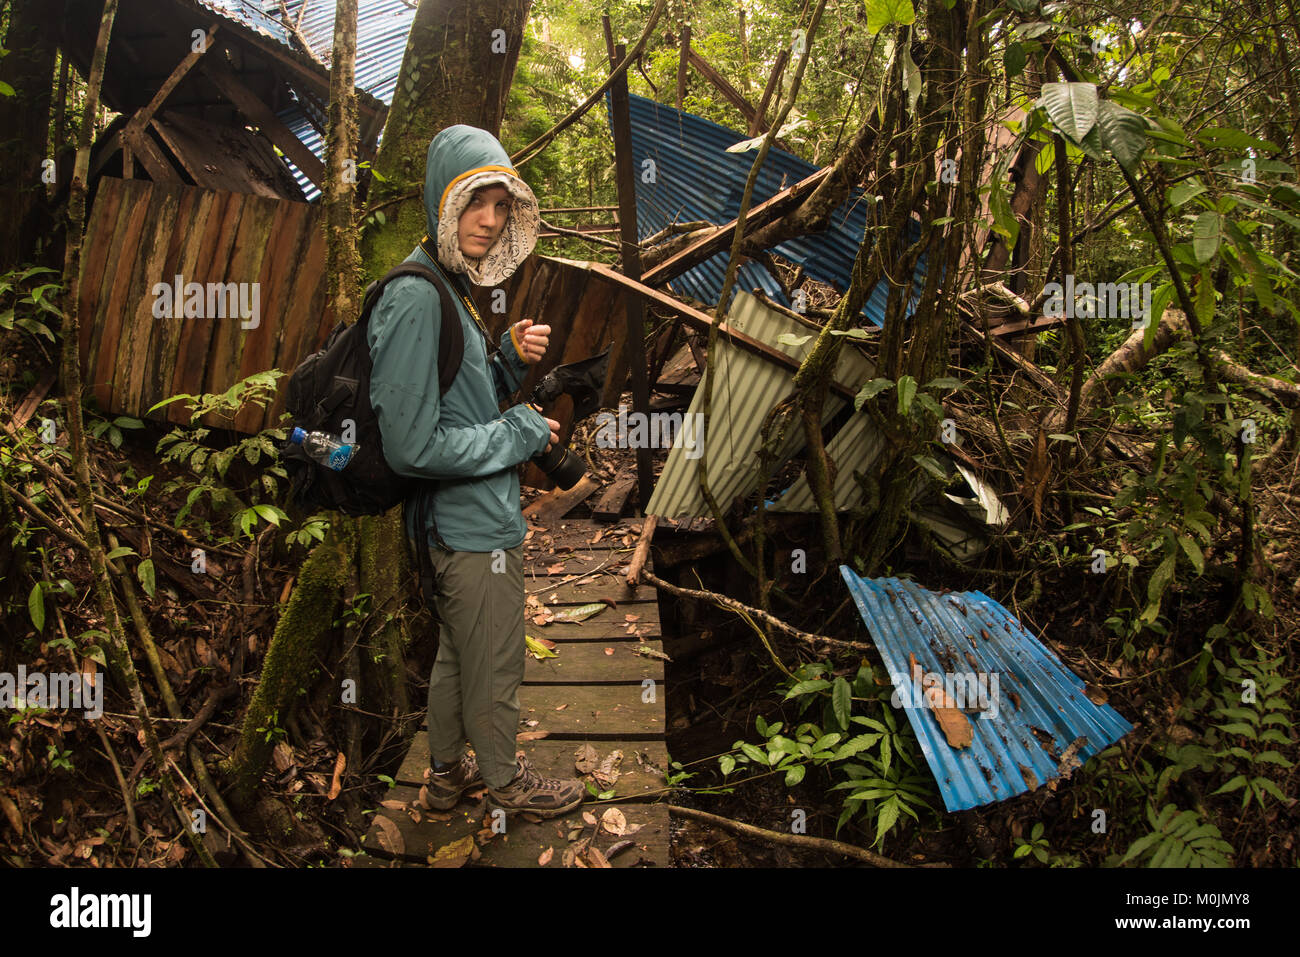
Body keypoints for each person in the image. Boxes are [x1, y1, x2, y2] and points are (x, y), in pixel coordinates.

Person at [365, 125, 586, 818]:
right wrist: (519, 428)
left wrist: (509, 360)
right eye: (475, 203)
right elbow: (410, 445)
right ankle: (508, 784)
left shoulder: (447, 286)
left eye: (499, 204)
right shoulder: (416, 297)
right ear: (442, 201)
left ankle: (444, 776)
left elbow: (455, 399)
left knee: (458, 658)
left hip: (464, 522)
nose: (490, 220)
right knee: (493, 661)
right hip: (467, 530)